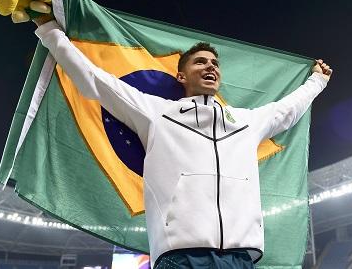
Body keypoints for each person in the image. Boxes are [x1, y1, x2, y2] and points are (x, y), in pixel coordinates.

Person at [32, 14, 332, 269]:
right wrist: (49, 30)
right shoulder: (155, 113)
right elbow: (94, 80)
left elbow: (288, 110)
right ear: (180, 75)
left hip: (241, 257)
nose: (210, 67)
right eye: (200, 62)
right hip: (182, 256)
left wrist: (317, 80)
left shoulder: (246, 122)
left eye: (214, 63)